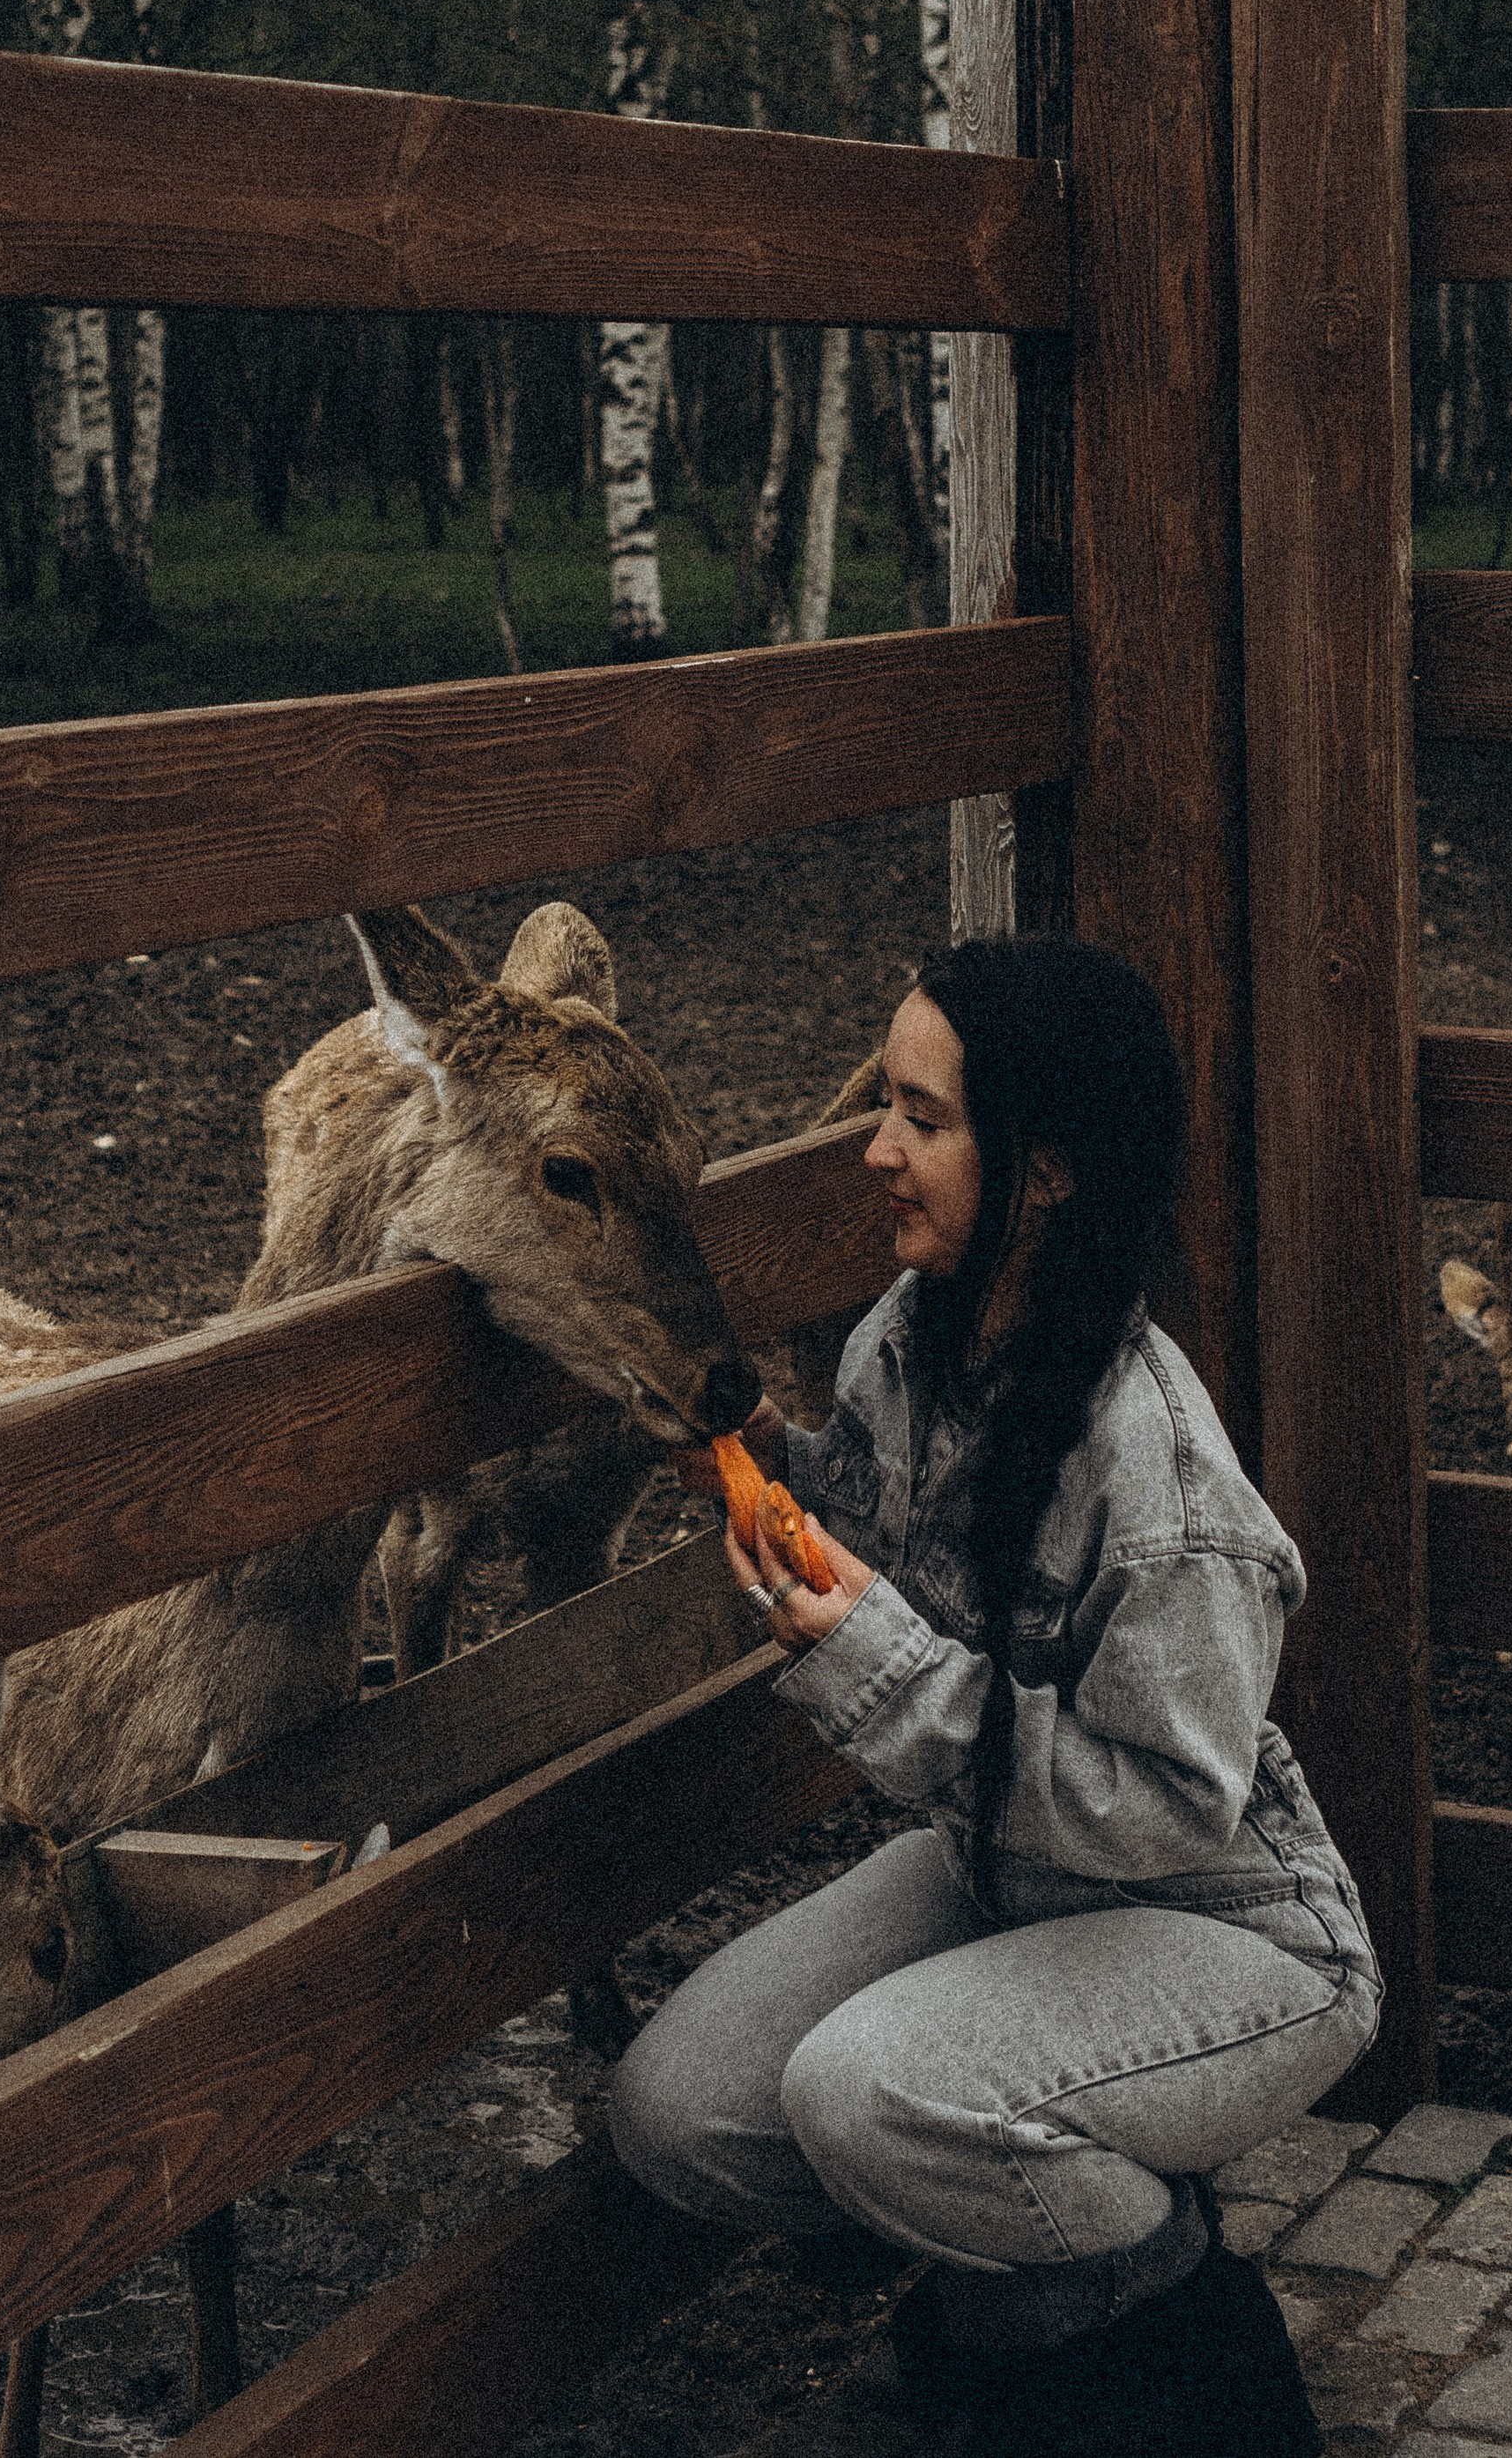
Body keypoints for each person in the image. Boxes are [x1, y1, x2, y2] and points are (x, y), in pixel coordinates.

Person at [609, 938, 1380, 2458]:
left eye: (920, 1115)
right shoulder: (907, 1340)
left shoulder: (1158, 1471)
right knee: (679, 2112)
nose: (873, 1147)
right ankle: (1037, 2232)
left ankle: (1152, 2356)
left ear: (1041, 1174)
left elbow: (1161, 1805)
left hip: (1230, 1928)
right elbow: (888, 1528)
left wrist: (879, 1669)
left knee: (868, 2091)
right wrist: (758, 1458)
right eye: (882, 1102)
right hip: (1008, 1880)